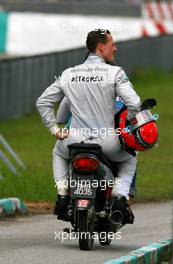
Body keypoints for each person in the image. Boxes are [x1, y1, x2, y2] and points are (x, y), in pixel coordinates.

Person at [36, 29, 141, 223]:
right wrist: (129, 124)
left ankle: (62, 194)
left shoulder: (69, 74)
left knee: (58, 153)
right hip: (107, 142)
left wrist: (54, 129)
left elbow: (43, 102)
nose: (115, 48)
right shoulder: (115, 72)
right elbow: (134, 103)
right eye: (112, 45)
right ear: (101, 47)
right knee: (131, 156)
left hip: (74, 140)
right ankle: (120, 197)